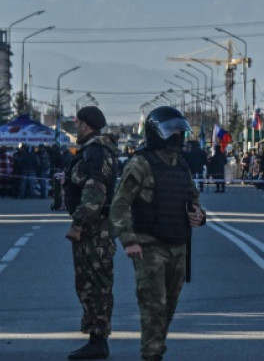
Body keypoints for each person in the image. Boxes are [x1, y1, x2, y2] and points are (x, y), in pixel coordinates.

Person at [110, 106, 206, 361]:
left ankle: (156, 347)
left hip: (178, 244)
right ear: (156, 133)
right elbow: (119, 205)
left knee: (169, 305)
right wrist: (129, 240)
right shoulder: (141, 163)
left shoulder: (181, 165)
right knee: (154, 305)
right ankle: (152, 354)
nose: (176, 135)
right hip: (149, 245)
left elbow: (192, 199)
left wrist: (199, 215)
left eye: (178, 130)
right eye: (170, 130)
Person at [63, 106, 118, 360]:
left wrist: (78, 224)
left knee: (94, 284)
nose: (75, 126)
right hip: (97, 228)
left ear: (85, 124)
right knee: (93, 283)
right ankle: (96, 338)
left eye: (77, 122)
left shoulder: (95, 151)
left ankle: (98, 340)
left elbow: (94, 191)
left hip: (94, 230)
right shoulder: (97, 149)